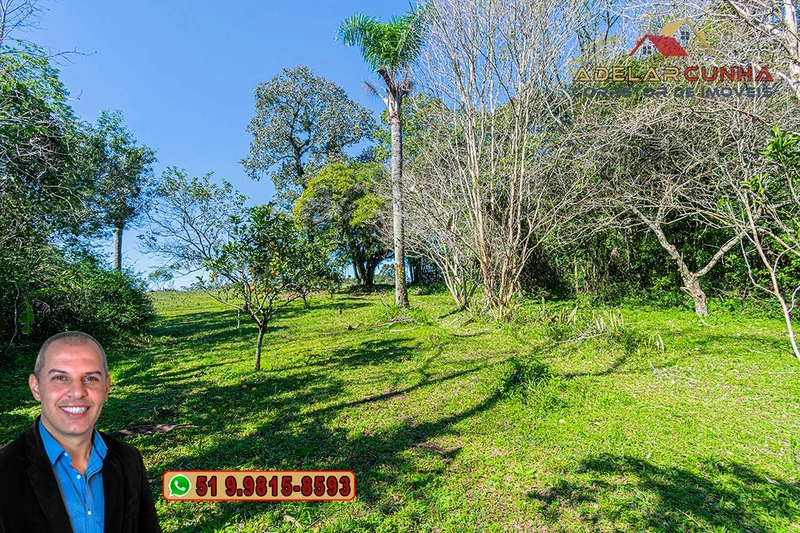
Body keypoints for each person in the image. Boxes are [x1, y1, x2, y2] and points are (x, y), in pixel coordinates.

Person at [0, 331, 162, 533]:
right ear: (36, 387)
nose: (77, 392)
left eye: (91, 378)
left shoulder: (129, 459)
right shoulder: (4, 471)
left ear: (106, 387)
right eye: (60, 377)